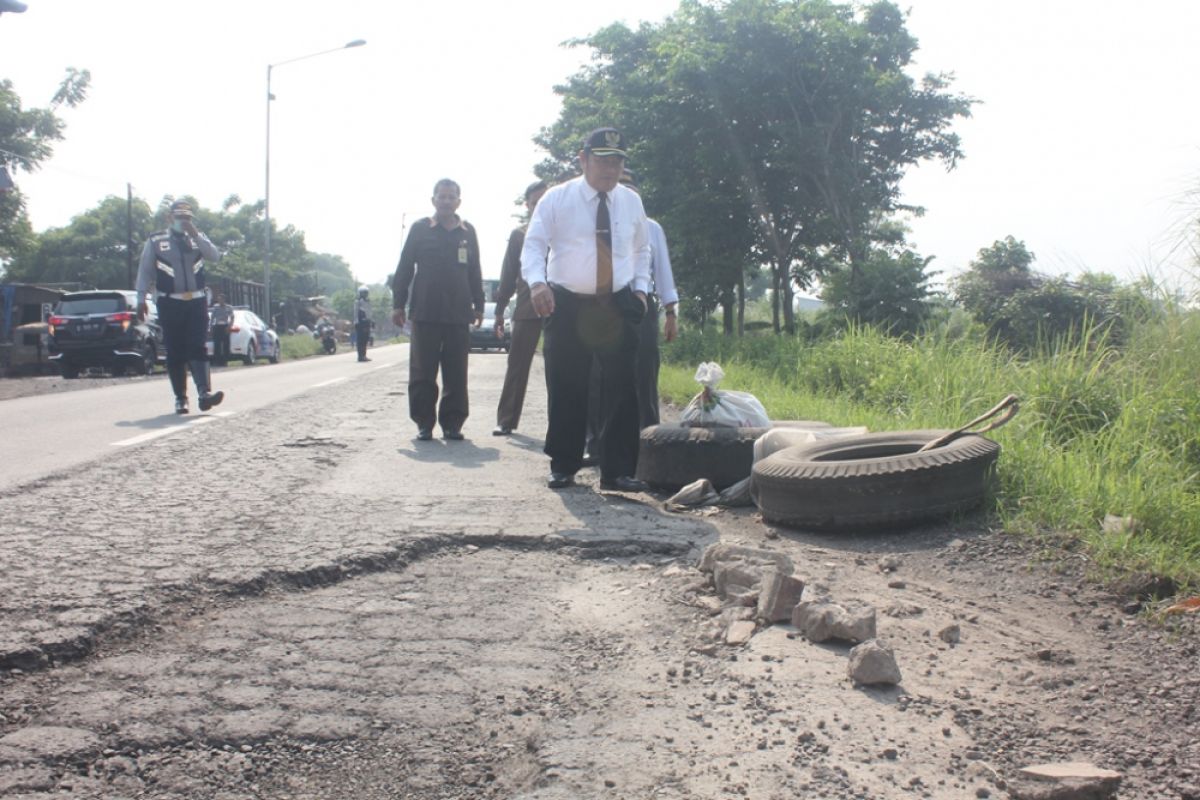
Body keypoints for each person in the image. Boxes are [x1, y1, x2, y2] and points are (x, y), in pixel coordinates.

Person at [521, 127, 652, 491]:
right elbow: (534, 246)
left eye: (617, 161)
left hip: (617, 302)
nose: (610, 169)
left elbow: (643, 249)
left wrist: (641, 290)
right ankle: (564, 464)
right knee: (567, 384)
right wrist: (537, 283)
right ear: (583, 160)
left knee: (623, 387)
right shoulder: (556, 199)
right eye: (602, 160)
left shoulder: (630, 201)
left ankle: (618, 471)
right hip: (567, 303)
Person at [584, 168, 679, 463]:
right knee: (597, 376)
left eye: (630, 190)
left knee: (643, 373)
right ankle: (596, 444)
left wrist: (671, 311)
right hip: (599, 305)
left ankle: (648, 443)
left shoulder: (651, 228)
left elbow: (662, 270)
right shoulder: (594, 223)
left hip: (639, 305)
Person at [391, 179, 484, 441]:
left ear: (458, 201)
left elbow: (475, 270)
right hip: (425, 311)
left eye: (451, 197)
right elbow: (405, 267)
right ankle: (423, 423)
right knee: (423, 371)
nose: (446, 201)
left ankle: (453, 424)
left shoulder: (468, 231)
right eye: (441, 197)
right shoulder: (421, 229)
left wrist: (479, 304)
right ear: (433, 200)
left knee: (456, 371)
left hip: (458, 313)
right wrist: (398, 304)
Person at [136, 199, 224, 415]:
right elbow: (145, 271)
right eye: (179, 218)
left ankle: (204, 394)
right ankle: (181, 398)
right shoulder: (156, 241)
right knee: (175, 350)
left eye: (187, 218)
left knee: (198, 346)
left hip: (196, 301)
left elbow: (214, 256)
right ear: (170, 218)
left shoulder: (198, 239)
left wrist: (195, 234)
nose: (183, 222)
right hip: (169, 301)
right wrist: (140, 299)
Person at [492, 179, 549, 436]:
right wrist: (499, 310)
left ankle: (566, 427)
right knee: (517, 365)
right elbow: (508, 276)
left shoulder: (563, 231)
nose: (539, 207)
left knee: (563, 369)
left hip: (561, 309)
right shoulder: (520, 235)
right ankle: (506, 420)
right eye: (535, 202)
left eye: (544, 202)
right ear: (527, 205)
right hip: (527, 309)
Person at [209, 292, 234, 367]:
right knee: (217, 344)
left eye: (221, 299)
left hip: (225, 326)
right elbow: (212, 318)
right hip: (217, 326)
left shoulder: (229, 307)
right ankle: (217, 361)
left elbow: (232, 317)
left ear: (224, 300)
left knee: (226, 344)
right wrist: (211, 327)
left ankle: (225, 361)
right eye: (218, 299)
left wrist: (229, 326)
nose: (220, 301)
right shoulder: (215, 307)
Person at [354, 285, 373, 362]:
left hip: (367, 322)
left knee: (365, 339)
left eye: (366, 293)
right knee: (361, 340)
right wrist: (357, 323)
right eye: (363, 293)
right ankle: (360, 356)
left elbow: (369, 313)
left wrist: (371, 321)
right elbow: (356, 313)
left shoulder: (367, 301)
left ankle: (364, 355)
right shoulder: (358, 302)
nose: (365, 294)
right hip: (361, 323)